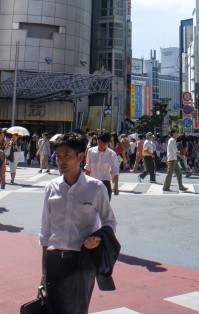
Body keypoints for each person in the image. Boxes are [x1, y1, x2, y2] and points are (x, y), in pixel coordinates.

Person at [39, 132, 117, 313]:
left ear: (80, 157)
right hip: (54, 260)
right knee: (53, 309)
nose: (61, 161)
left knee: (77, 310)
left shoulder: (96, 188)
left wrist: (98, 237)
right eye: (58, 156)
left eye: (67, 155)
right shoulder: (51, 188)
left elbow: (110, 221)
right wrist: (43, 272)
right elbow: (45, 232)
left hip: (81, 260)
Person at [85, 130, 120, 200]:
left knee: (104, 209)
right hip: (92, 183)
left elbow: (115, 171)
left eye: (104, 144)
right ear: (97, 140)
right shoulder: (91, 151)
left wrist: (116, 186)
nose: (101, 145)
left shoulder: (112, 154)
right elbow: (88, 168)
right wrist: (85, 183)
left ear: (108, 143)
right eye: (100, 143)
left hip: (105, 184)